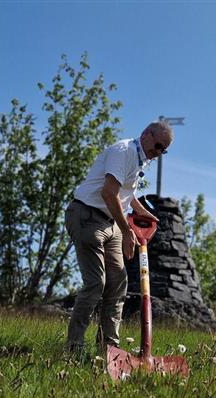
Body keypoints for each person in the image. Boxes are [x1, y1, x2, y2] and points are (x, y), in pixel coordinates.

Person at [64, 121, 172, 357]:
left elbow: (126, 192)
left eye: (164, 150)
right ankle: (73, 350)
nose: (159, 152)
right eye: (157, 146)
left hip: (110, 221)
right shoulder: (123, 152)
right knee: (96, 284)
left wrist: (142, 211)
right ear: (146, 134)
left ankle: (108, 351)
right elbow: (108, 193)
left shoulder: (139, 158)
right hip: (86, 215)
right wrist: (126, 232)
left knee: (118, 284)